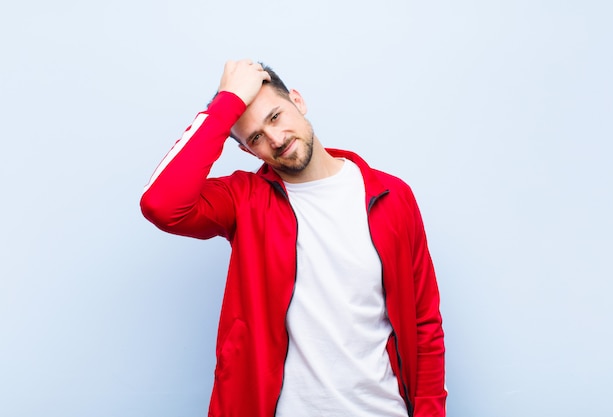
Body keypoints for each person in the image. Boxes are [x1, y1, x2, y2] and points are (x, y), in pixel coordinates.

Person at [140, 59, 446, 417]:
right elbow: (161, 204)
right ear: (246, 150)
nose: (275, 139)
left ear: (298, 102)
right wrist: (226, 104)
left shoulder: (392, 196)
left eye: (275, 117)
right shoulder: (244, 200)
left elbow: (424, 323)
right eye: (255, 137)